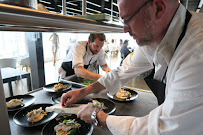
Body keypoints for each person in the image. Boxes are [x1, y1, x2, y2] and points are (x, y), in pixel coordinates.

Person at [62, 0, 203, 135]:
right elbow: (121, 72)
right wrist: (83, 91)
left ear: (158, 8)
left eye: (127, 19)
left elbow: (165, 129)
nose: (125, 29)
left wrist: (98, 116)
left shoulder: (197, 53)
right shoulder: (154, 40)